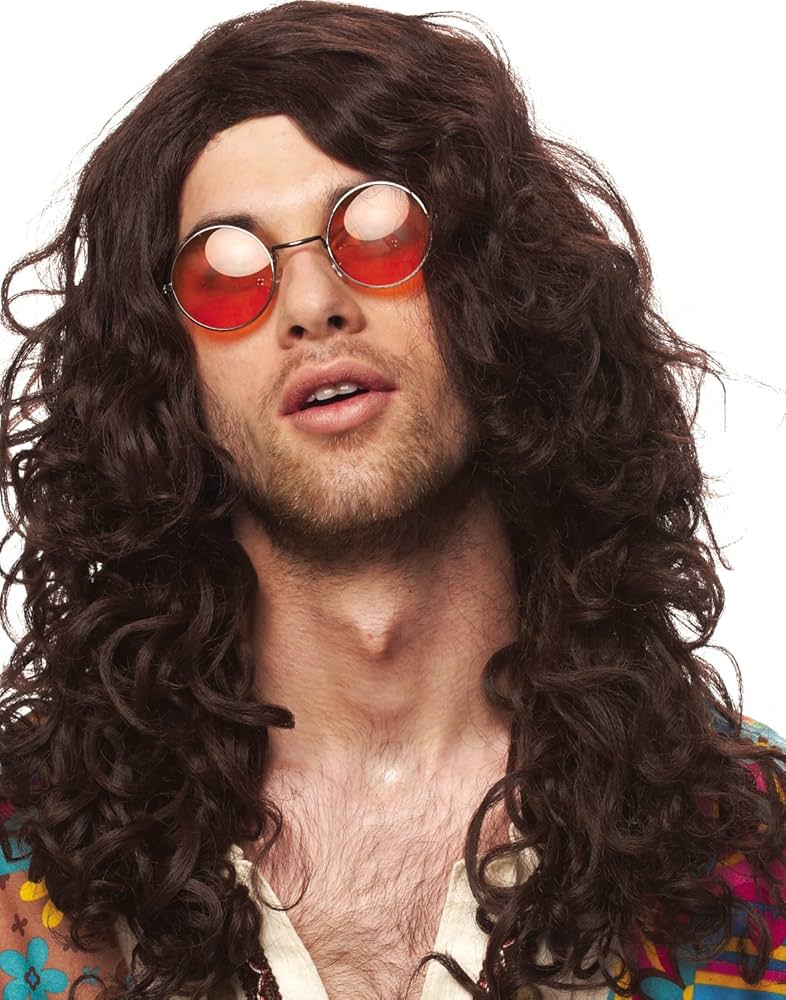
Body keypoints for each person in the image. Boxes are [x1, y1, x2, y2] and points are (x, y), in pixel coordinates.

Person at [0, 2, 784, 999]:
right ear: (165, 379)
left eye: (376, 232)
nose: (312, 306)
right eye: (225, 271)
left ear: (500, 291)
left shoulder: (752, 843)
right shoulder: (23, 851)